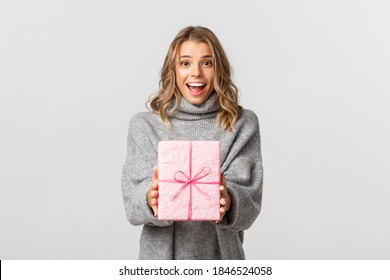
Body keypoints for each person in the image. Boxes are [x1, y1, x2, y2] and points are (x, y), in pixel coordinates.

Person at [121, 26, 263, 260]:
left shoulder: (242, 124)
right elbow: (132, 206)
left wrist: (228, 199)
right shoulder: (145, 125)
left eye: (206, 63)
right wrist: (150, 198)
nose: (196, 72)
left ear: (219, 69)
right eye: (185, 63)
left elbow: (251, 205)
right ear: (173, 70)